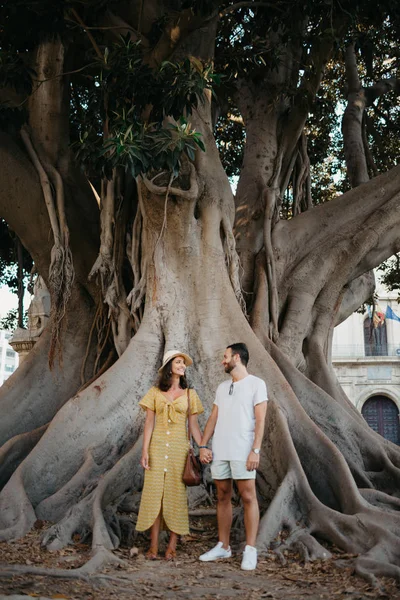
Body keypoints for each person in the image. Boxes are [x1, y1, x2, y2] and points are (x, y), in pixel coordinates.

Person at [198, 343, 268, 571]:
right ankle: (223, 546)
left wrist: (255, 450)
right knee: (222, 496)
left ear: (236, 358)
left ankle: (250, 549)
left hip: (243, 450)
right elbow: (213, 418)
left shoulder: (257, 384)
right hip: (221, 450)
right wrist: (203, 445)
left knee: (248, 497)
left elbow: (261, 421)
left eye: (225, 356)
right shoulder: (222, 387)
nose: (222, 361)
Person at [136, 350, 204, 560]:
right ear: (169, 367)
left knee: (175, 496)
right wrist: (145, 450)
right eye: (178, 361)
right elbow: (149, 424)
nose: (182, 365)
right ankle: (154, 546)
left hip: (178, 450)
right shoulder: (155, 392)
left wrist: (203, 446)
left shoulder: (190, 395)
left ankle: (172, 546)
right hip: (157, 448)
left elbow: (193, 425)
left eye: (184, 362)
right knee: (154, 495)